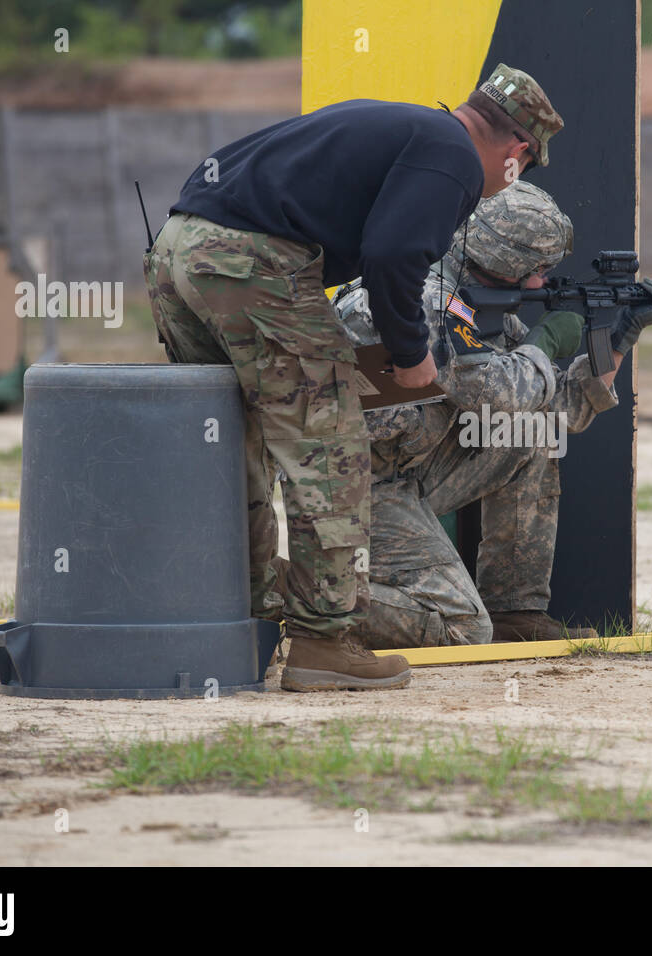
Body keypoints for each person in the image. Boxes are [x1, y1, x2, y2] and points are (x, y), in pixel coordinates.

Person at [144, 65, 563, 691]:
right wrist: (410, 351)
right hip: (252, 262)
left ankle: (237, 613)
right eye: (523, 169)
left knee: (230, 443)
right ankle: (322, 641)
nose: (508, 182)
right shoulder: (453, 154)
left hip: (179, 246)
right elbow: (392, 253)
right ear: (517, 150)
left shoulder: (407, 126)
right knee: (331, 448)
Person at [333, 180, 652, 648]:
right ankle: (300, 594)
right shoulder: (429, 299)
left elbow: (558, 411)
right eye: (539, 268)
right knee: (462, 628)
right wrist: (544, 343)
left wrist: (619, 338)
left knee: (532, 431)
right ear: (509, 264)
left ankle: (515, 610)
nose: (543, 281)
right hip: (352, 491)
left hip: (406, 472)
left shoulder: (474, 297)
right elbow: (500, 395)